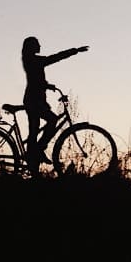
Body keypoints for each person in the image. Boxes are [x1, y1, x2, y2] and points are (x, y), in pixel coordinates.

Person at [21, 36, 88, 175]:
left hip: (34, 100)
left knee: (34, 131)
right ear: (32, 46)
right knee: (51, 120)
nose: (40, 46)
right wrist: (75, 51)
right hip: (34, 101)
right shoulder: (33, 60)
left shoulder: (31, 60)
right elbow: (54, 59)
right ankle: (39, 150)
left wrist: (46, 85)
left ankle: (33, 162)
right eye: (38, 44)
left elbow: (37, 78)